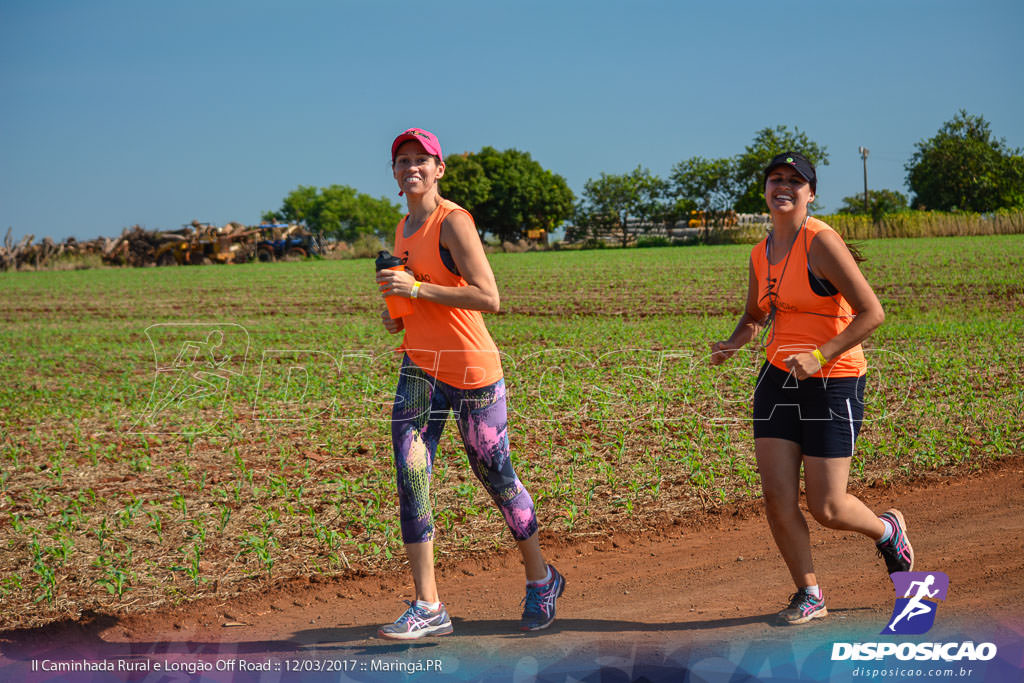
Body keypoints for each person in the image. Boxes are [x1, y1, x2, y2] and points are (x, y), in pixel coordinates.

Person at [374, 128, 565, 639]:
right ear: (394, 175)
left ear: (439, 170)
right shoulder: (401, 229)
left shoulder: (453, 222)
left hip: (473, 372)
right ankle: (428, 605)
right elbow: (421, 301)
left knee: (498, 478)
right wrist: (400, 312)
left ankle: (542, 579)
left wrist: (415, 286)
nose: (411, 166)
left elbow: (488, 297)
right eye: (402, 160)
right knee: (411, 476)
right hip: (420, 367)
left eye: (422, 159)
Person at [709, 151, 914, 625]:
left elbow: (872, 312)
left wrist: (820, 355)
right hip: (777, 379)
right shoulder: (760, 253)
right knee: (777, 499)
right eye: (775, 179)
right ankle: (810, 594)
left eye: (794, 181)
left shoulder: (820, 242)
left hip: (833, 380)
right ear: (765, 190)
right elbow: (756, 314)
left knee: (827, 506)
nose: (784, 186)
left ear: (811, 193)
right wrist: (734, 342)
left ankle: (888, 531)